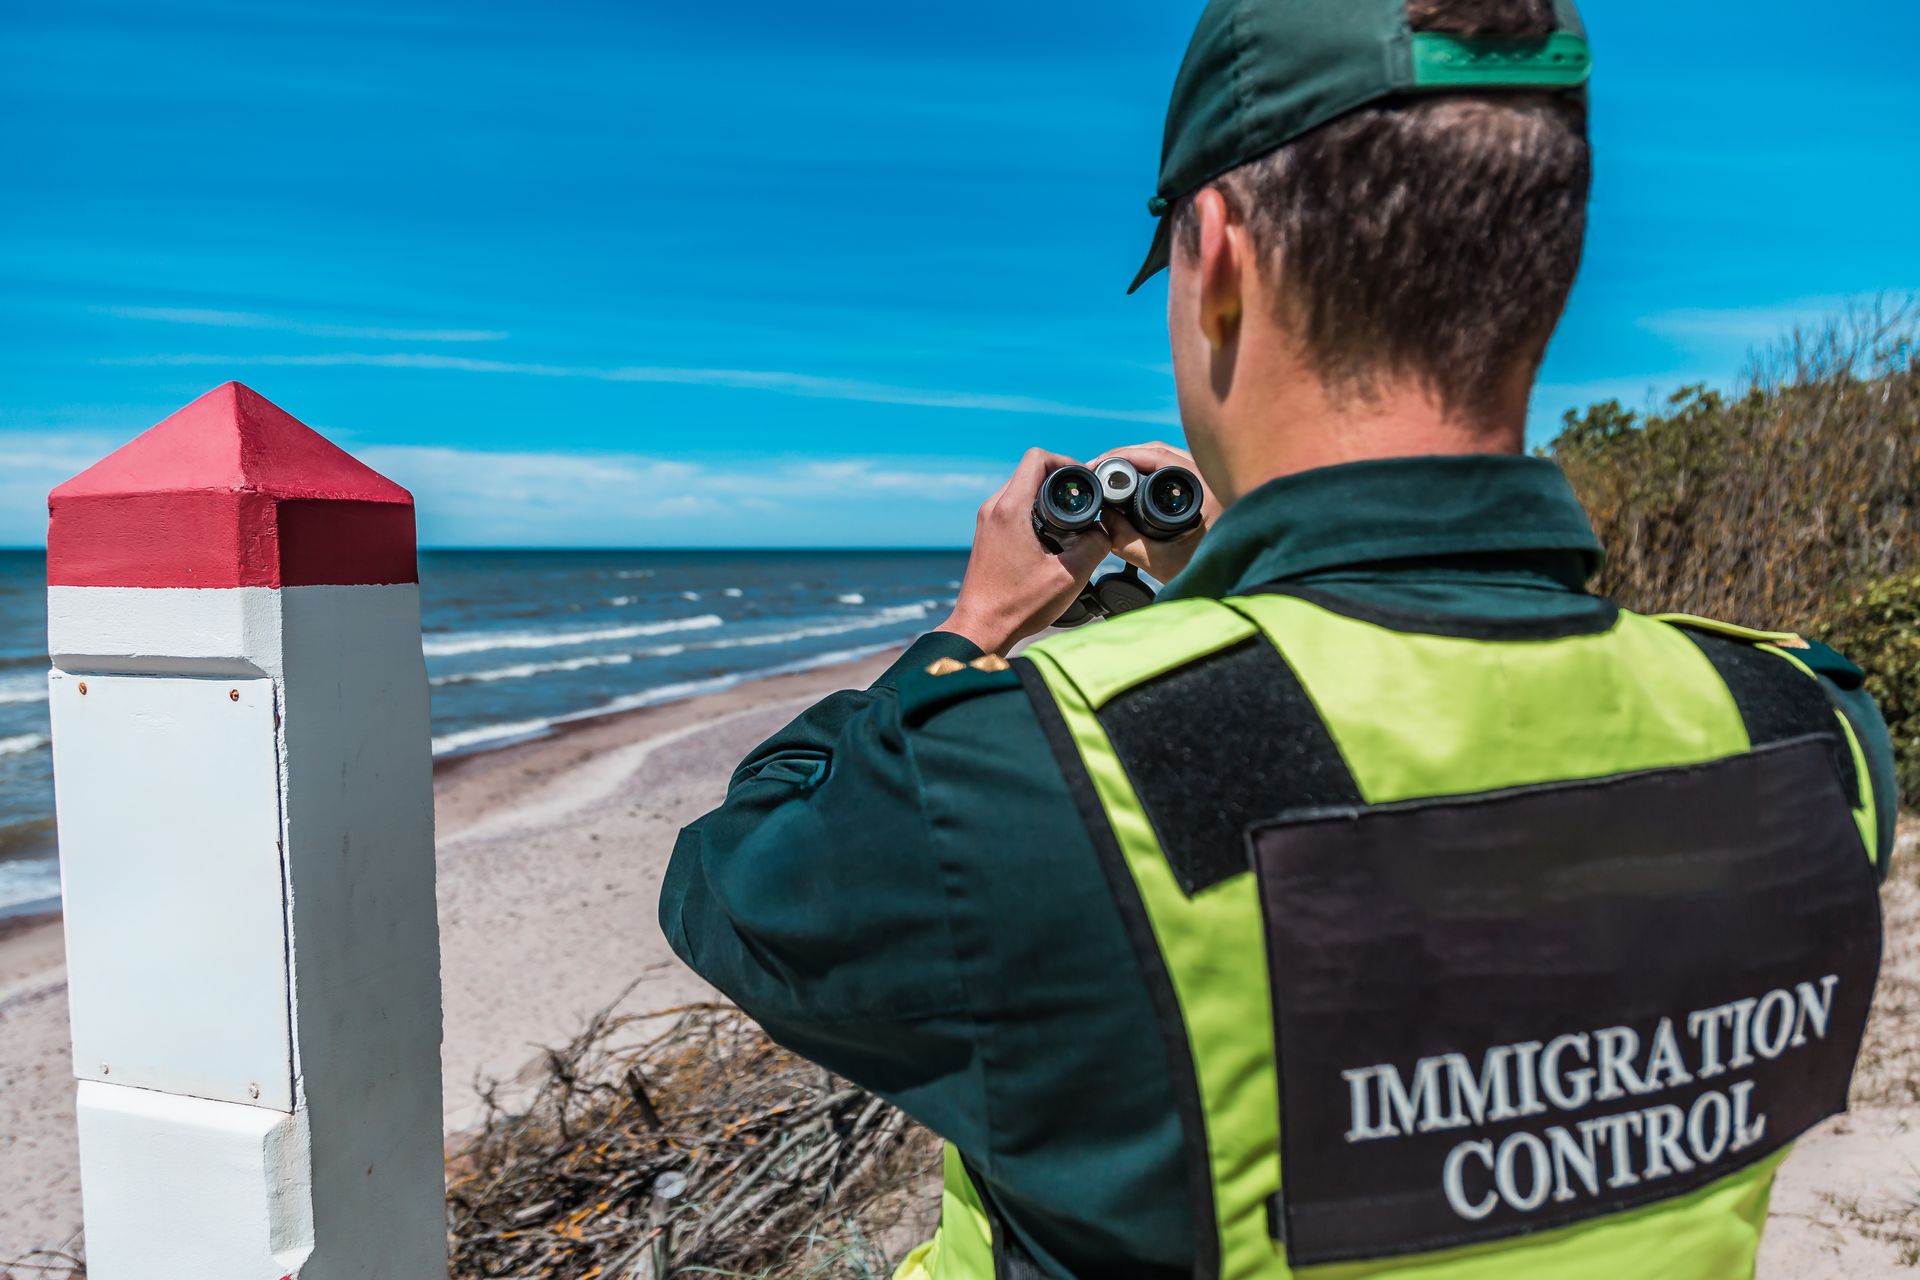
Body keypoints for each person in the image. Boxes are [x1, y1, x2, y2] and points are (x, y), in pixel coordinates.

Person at [660, 0, 1897, 1275]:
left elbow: (735, 882)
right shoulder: (1814, 734)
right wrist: (1227, 605)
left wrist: (975, 628)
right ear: (1552, 257)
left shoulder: (1027, 783)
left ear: (1222, 256)